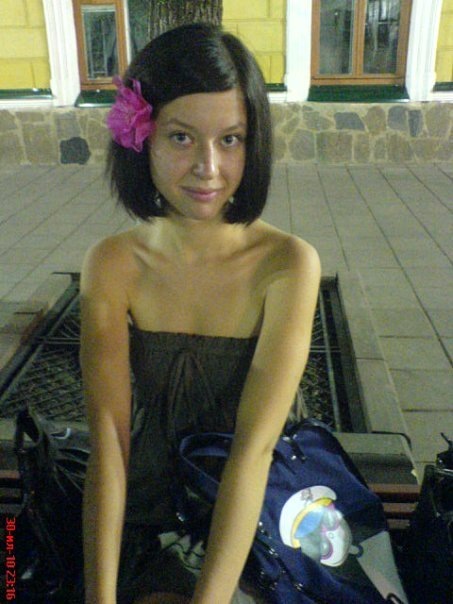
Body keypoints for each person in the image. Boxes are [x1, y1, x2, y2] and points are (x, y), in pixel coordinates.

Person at [80, 23, 321, 604]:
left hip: (261, 514)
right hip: (152, 508)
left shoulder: (288, 264)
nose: (208, 167)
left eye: (230, 139)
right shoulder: (113, 263)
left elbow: (253, 453)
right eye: (182, 137)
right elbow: (109, 444)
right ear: (142, 138)